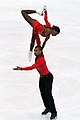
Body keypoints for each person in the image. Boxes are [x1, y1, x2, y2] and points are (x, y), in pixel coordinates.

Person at [13, 46, 57, 120]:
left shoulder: (41, 59)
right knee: (43, 94)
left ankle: (54, 112)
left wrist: (21, 68)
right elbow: (39, 41)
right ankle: (48, 108)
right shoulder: (37, 57)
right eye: (34, 50)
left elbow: (32, 67)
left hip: (48, 78)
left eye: (36, 50)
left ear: (41, 51)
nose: (35, 52)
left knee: (48, 95)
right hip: (42, 78)